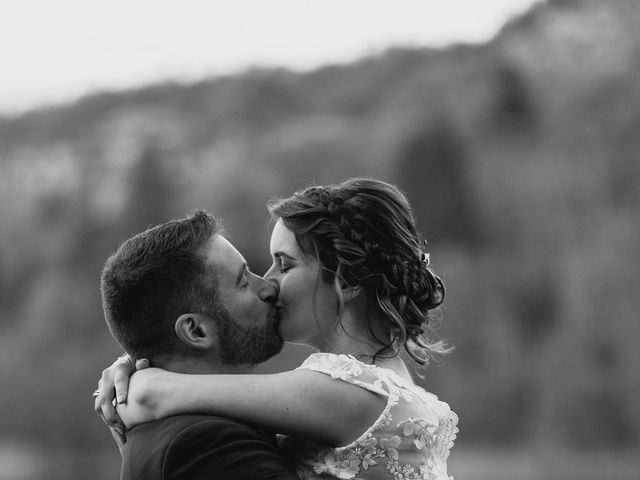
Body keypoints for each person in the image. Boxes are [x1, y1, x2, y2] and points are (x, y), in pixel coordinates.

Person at [97, 178, 459, 480]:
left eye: (284, 266)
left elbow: (154, 395)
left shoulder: (345, 390)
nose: (269, 284)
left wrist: (140, 377)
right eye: (249, 277)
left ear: (346, 281)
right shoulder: (379, 379)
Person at [97, 210, 299, 480]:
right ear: (195, 330)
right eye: (243, 281)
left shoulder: (184, 428)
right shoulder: (204, 445)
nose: (267, 287)